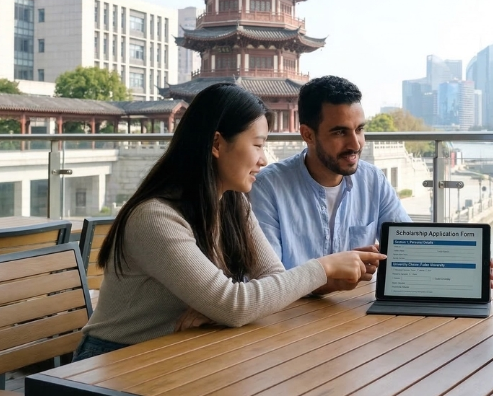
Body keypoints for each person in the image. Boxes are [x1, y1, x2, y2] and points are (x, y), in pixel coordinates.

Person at [73, 83, 385, 360]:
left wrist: (221, 309)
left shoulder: (233, 205)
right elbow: (236, 304)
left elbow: (271, 276)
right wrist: (323, 268)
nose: (264, 159)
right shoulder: (156, 217)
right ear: (218, 144)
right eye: (258, 145)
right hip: (114, 361)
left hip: (184, 351)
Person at [250, 76, 412, 294]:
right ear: (308, 134)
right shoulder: (267, 187)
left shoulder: (373, 179)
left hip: (354, 314)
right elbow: (267, 283)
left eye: (359, 129)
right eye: (340, 132)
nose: (355, 144)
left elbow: (409, 247)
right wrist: (332, 281)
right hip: (287, 320)